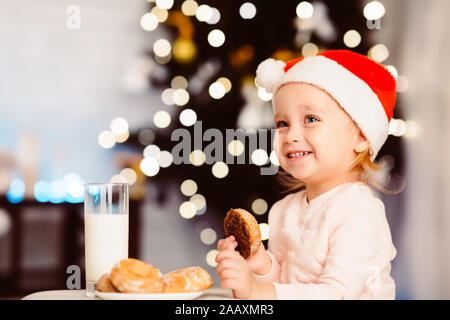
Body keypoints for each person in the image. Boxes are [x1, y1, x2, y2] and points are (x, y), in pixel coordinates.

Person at [215, 50, 402, 300]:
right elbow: (286, 282)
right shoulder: (284, 210)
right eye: (282, 123)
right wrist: (261, 264)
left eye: (310, 119)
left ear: (360, 137)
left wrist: (257, 292)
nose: (291, 135)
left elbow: (336, 294)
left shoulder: (358, 212)